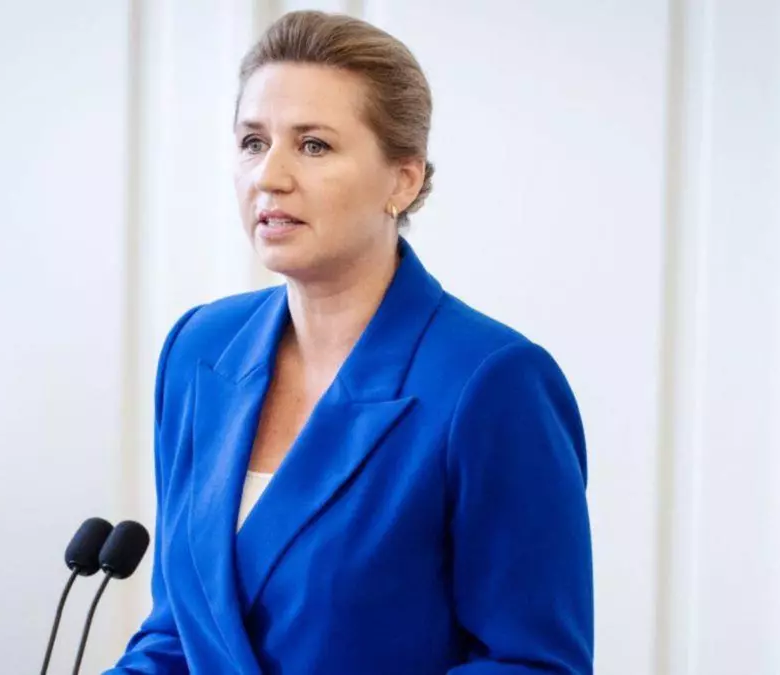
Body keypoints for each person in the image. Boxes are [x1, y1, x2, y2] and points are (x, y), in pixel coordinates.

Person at [106, 10, 592, 674]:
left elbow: (533, 664)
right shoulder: (199, 349)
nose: (269, 176)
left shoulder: (494, 382)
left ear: (403, 180)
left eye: (313, 145)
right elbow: (176, 636)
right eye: (253, 141)